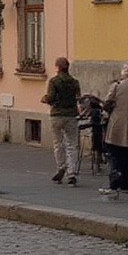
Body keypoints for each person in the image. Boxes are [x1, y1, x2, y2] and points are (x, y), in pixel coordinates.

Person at [99, 60, 128, 198]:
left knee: (116, 153)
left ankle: (116, 178)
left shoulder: (116, 86)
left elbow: (108, 102)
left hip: (118, 122)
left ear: (124, 72)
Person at [42, 57, 80, 186]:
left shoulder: (54, 81)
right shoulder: (75, 82)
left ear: (57, 67)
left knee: (58, 143)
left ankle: (61, 167)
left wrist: (45, 99)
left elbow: (51, 97)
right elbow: (78, 98)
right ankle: (72, 173)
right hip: (71, 115)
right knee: (72, 144)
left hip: (57, 115)